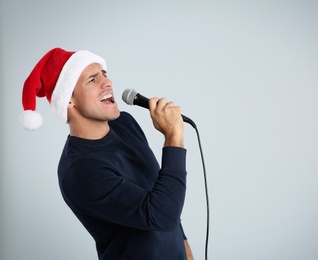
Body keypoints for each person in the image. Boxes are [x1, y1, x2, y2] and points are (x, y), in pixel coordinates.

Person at [19, 47, 194, 260]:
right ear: (69, 101)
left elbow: (161, 189)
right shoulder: (80, 170)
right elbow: (160, 216)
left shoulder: (125, 123)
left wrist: (184, 246)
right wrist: (174, 138)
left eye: (105, 74)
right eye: (92, 80)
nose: (107, 82)